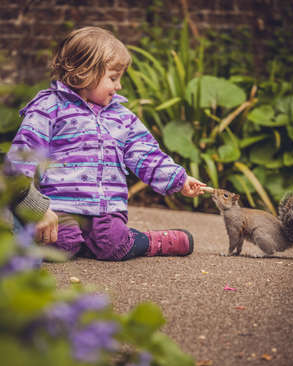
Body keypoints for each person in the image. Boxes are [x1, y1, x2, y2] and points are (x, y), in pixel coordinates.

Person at [6, 26, 207, 261]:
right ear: (84, 73)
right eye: (113, 78)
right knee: (59, 246)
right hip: (62, 206)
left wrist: (178, 179)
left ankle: (153, 240)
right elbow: (22, 156)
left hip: (107, 208)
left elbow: (145, 153)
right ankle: (73, 241)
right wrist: (33, 207)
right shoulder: (49, 108)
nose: (119, 86)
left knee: (115, 246)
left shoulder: (121, 117)